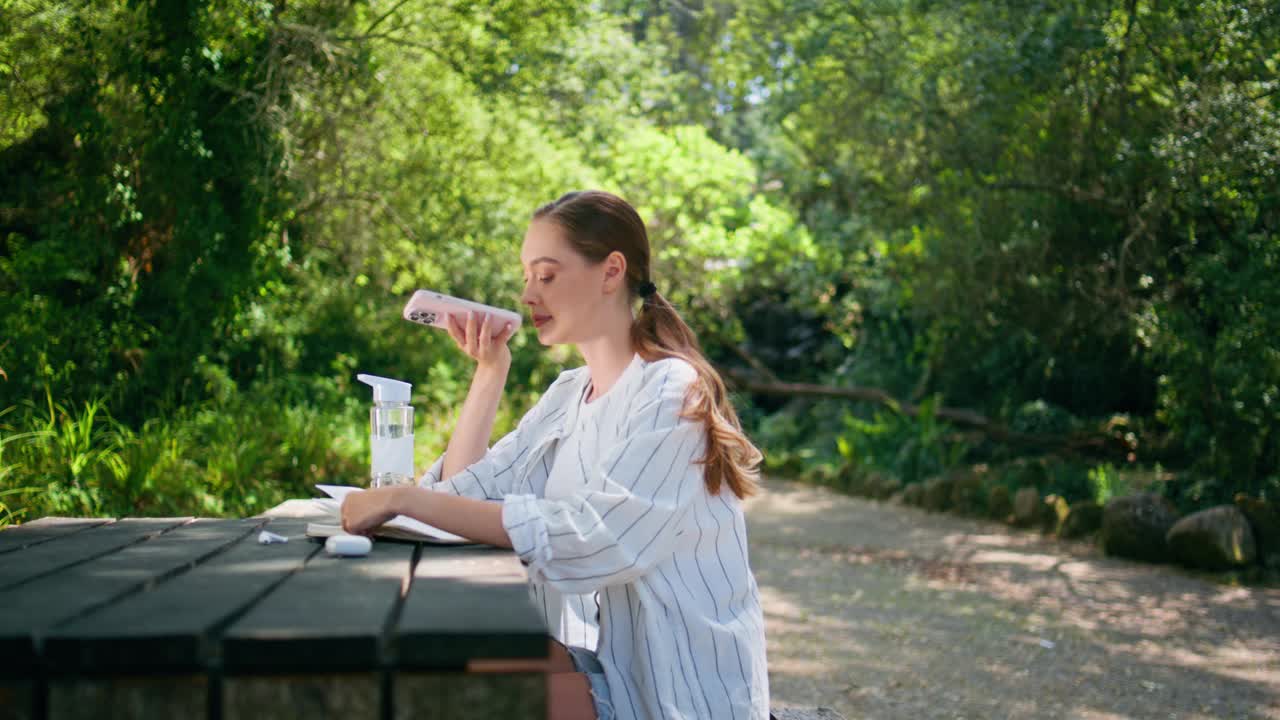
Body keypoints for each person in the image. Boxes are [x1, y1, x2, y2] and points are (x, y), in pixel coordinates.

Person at [341, 190, 770, 720]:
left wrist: (405, 498)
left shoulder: (670, 391)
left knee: (467, 689)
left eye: (546, 275)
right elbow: (467, 491)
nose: (527, 294)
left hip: (675, 694)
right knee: (437, 670)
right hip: (608, 668)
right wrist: (490, 371)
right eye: (526, 277)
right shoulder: (570, 393)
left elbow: (592, 537)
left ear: (611, 272)